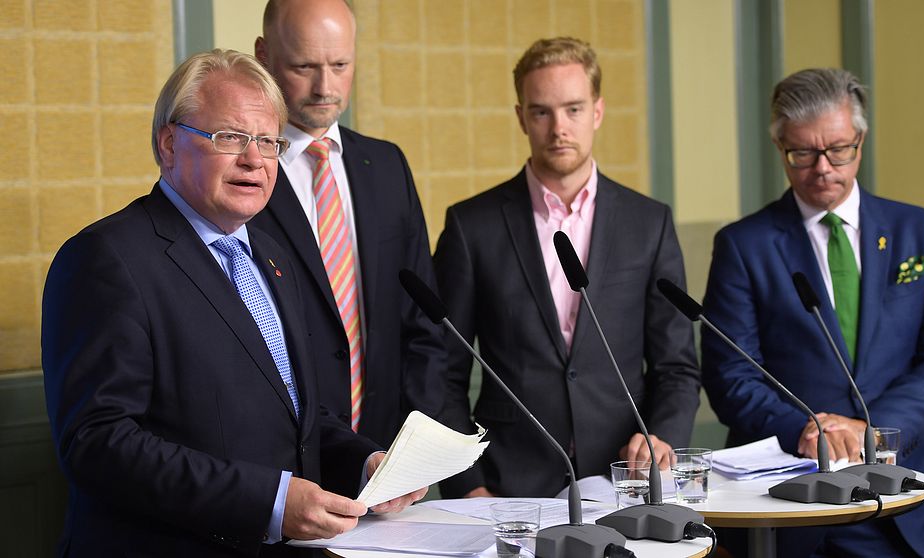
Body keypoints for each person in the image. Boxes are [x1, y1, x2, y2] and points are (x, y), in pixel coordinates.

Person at [41, 49, 424, 557]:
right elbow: (97, 444)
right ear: (169, 143)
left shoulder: (271, 254)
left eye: (267, 142)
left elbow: (293, 413)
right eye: (230, 138)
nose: (254, 159)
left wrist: (364, 460)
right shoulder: (105, 258)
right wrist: (268, 500)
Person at [701, 68, 924, 557]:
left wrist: (872, 430)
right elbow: (731, 376)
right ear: (781, 148)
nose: (822, 167)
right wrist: (808, 431)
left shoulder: (918, 232)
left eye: (838, 149)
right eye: (802, 153)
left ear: (860, 141)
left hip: (895, 501)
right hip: (785, 507)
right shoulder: (744, 245)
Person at [434, 37, 701, 499]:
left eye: (573, 109)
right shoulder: (470, 226)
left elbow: (676, 365)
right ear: (521, 117)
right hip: (506, 487)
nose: (559, 127)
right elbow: (441, 369)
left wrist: (662, 438)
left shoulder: (648, 223)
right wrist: (467, 485)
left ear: (597, 112)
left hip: (627, 478)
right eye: (542, 112)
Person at [251, 0, 445, 447]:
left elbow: (423, 321)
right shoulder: (243, 173)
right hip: (283, 455)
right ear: (264, 55)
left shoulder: (387, 164)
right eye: (304, 66)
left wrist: (420, 439)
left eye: (340, 65)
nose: (325, 87)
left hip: (387, 451)